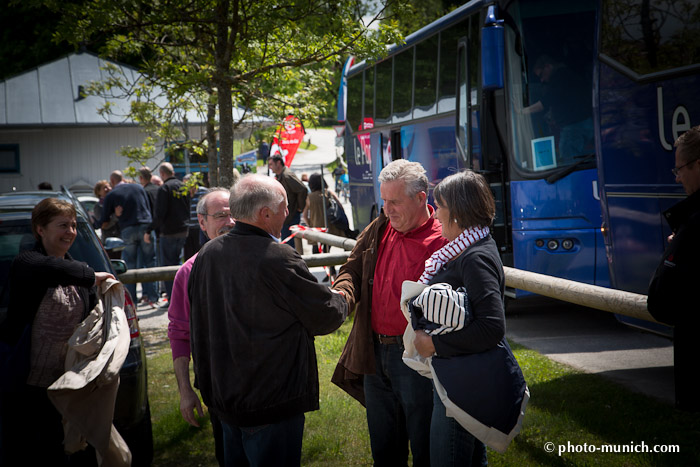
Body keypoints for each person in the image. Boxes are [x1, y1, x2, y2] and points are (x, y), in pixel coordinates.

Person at [188, 174, 347, 465]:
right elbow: (325, 316)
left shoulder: (206, 254)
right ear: (265, 214)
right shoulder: (277, 257)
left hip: (224, 400)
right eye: (284, 206)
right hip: (269, 403)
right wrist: (346, 292)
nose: (288, 213)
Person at [331, 159, 447, 466]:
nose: (387, 209)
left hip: (416, 357)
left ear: (422, 198)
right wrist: (343, 292)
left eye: (394, 201)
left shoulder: (443, 239)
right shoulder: (380, 227)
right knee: (384, 451)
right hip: (374, 352)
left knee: (426, 448)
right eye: (383, 201)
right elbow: (352, 269)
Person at [0, 198, 114, 465]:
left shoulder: (78, 272)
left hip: (69, 386)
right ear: (40, 229)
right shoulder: (28, 264)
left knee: (73, 452)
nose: (71, 232)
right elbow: (49, 268)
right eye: (63, 225)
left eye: (74, 225)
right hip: (28, 387)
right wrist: (90, 275)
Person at [410, 170, 506, 465]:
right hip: (461, 378)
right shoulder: (468, 248)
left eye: (440, 207)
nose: (435, 214)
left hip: (462, 385)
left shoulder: (474, 258)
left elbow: (492, 327)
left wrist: (436, 346)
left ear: (459, 211)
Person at [168, 188, 234, 465]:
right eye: (220, 216)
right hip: (220, 390)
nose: (229, 223)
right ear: (202, 222)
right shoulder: (189, 273)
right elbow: (180, 334)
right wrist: (185, 391)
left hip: (268, 387)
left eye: (234, 215)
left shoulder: (264, 260)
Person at [648, 125, 700, 412]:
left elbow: (665, 300)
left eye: (680, 169)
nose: (678, 178)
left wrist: (678, 247)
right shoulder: (690, 223)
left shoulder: (694, 224)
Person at [522, 54, 593, 162]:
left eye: (541, 75)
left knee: (569, 163)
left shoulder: (558, 78)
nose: (542, 80)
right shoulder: (570, 74)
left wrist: (521, 111)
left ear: (548, 66)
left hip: (573, 129)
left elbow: (543, 104)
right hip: (587, 123)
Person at [101, 170, 156, 305]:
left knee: (129, 265)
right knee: (150, 262)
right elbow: (148, 208)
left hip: (127, 229)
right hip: (145, 226)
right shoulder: (139, 187)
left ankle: (132, 301)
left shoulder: (112, 194)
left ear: (112, 181)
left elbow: (103, 221)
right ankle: (153, 298)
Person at [148, 162, 190, 307]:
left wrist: (149, 229)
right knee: (179, 265)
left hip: (169, 232)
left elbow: (159, 214)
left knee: (167, 267)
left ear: (162, 174)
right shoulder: (183, 186)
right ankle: (182, 297)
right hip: (184, 230)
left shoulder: (164, 188)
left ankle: (173, 300)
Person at [302, 173, 344, 281]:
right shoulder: (329, 193)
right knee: (326, 251)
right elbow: (340, 207)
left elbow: (304, 215)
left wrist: (310, 225)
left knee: (318, 253)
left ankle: (331, 274)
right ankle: (331, 274)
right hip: (330, 228)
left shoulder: (309, 197)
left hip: (317, 231)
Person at [268, 154, 307, 253]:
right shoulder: (281, 176)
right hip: (286, 217)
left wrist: (300, 208)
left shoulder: (287, 176)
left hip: (291, 217)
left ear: (279, 163)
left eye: (271, 164)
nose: (270, 167)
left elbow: (302, 189)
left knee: (290, 247)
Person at [92, 179, 121, 256]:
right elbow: (103, 225)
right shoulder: (98, 206)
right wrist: (116, 216)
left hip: (120, 237)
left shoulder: (115, 202)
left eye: (109, 186)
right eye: (104, 187)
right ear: (98, 192)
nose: (108, 189)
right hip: (109, 240)